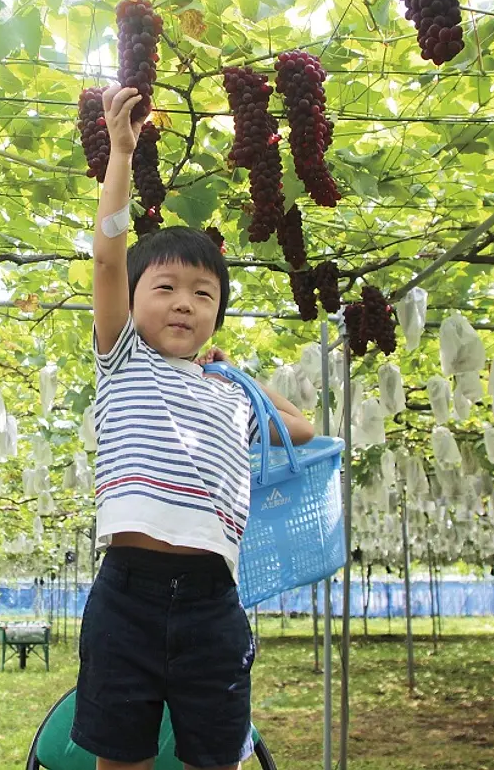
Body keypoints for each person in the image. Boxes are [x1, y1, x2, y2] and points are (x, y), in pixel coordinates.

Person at [72, 84, 316, 770]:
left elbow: (299, 427)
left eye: (203, 294)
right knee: (122, 757)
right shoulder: (121, 359)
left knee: (217, 758)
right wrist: (121, 153)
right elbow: (108, 256)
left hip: (215, 602)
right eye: (166, 287)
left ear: (218, 314)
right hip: (127, 589)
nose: (184, 303)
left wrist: (239, 374)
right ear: (133, 298)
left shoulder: (229, 393)